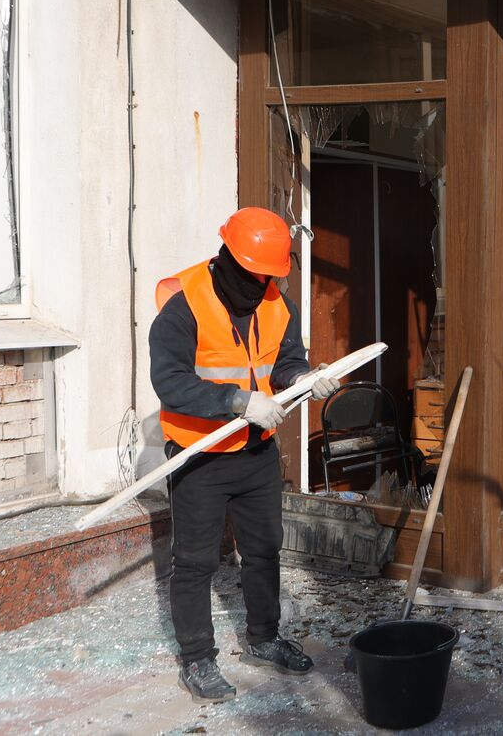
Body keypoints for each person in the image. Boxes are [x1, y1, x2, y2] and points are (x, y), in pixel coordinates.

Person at [150, 207, 338, 703]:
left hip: (255, 454)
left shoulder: (279, 303)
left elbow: (285, 361)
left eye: (272, 275)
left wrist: (303, 380)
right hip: (200, 455)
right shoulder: (184, 303)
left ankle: (264, 638)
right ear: (230, 257)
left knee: (263, 550)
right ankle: (197, 659)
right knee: (193, 563)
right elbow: (169, 382)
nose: (264, 283)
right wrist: (237, 401)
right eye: (258, 273)